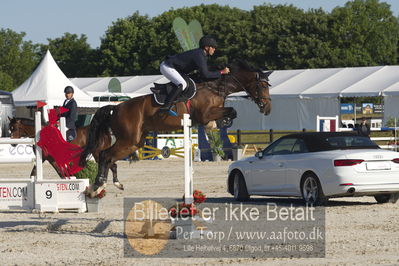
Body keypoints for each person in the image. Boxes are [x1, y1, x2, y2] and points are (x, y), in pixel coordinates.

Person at [159, 35, 230, 113]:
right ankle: (166, 106)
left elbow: (203, 73)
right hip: (167, 66)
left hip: (176, 69)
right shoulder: (199, 55)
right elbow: (206, 75)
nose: (214, 49)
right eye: (213, 47)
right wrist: (221, 72)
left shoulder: (202, 55)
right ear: (206, 47)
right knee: (182, 84)